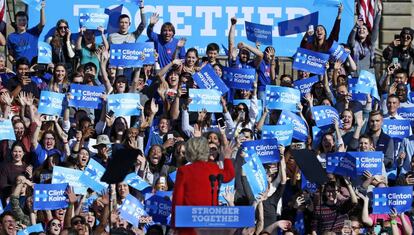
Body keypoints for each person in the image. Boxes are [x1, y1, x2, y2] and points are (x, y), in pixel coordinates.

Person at [172, 137, 235, 235]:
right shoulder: (213, 167)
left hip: (189, 224)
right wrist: (227, 157)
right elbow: (229, 175)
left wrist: (175, 225)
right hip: (210, 223)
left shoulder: (183, 170)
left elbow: (177, 200)